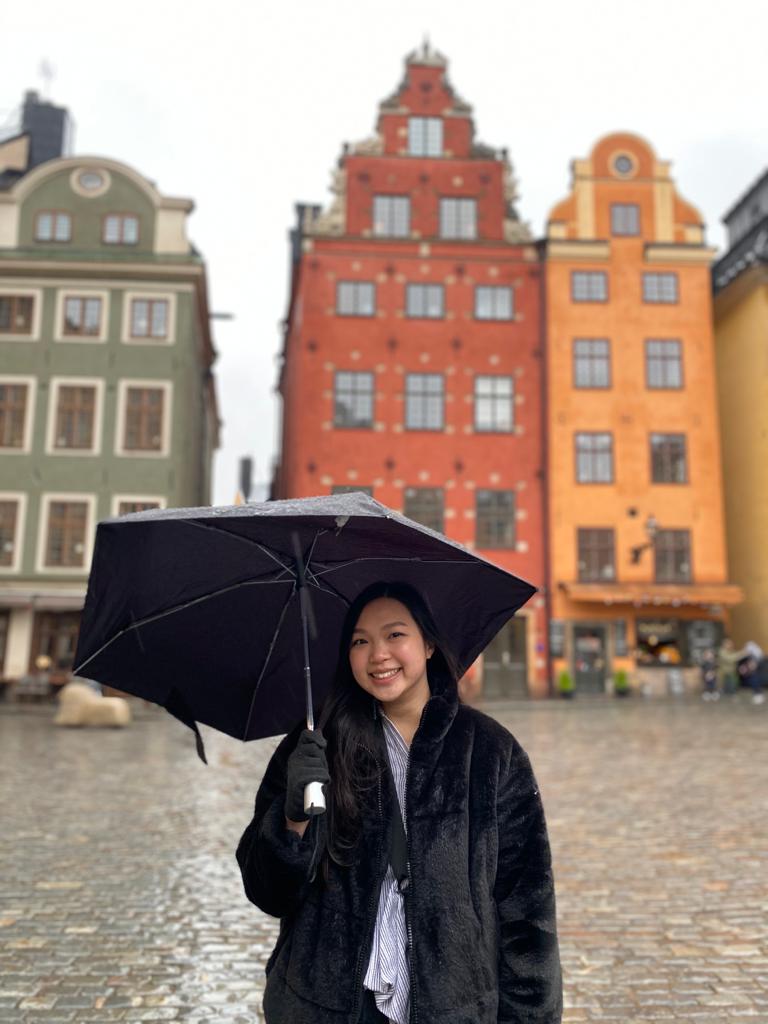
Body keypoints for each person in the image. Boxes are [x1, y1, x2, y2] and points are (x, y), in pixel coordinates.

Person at [236, 581, 562, 1024]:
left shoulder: (490, 752)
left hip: (451, 1006)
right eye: (360, 641)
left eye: (395, 635)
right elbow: (268, 892)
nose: (378, 655)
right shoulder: (313, 747)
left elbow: (528, 912)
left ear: (428, 643)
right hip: (327, 1005)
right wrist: (292, 820)